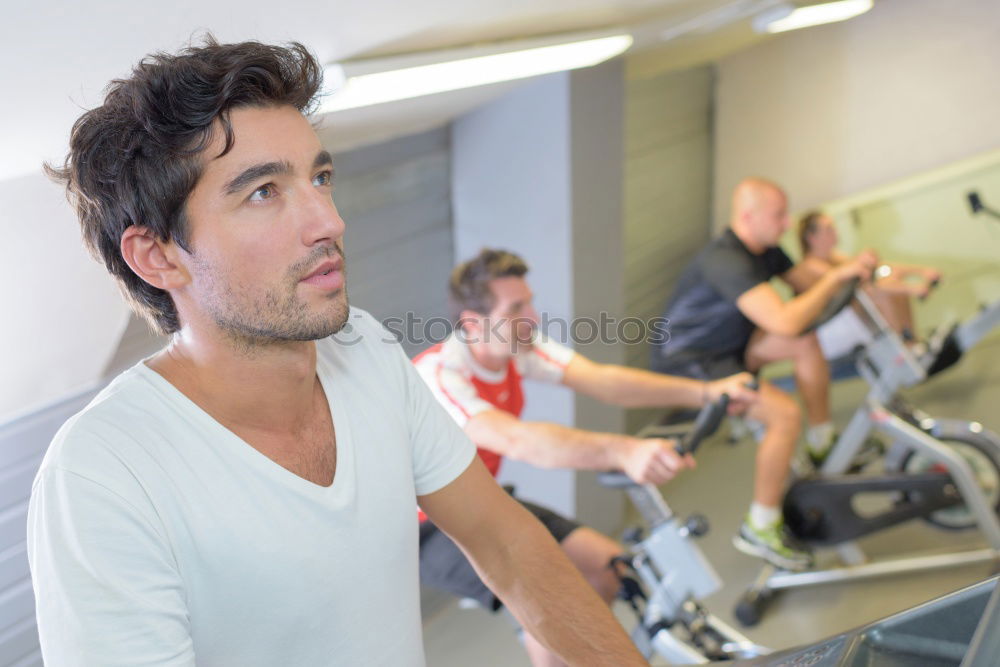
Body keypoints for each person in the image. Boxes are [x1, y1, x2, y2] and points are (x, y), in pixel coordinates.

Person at [27, 38, 648, 666]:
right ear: (158, 256)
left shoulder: (368, 350)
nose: (328, 220)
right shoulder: (103, 474)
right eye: (263, 192)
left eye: (320, 178)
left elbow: (507, 542)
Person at [413, 249, 756, 665]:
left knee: (607, 570)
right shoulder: (440, 375)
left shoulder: (517, 346)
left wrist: (705, 393)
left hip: (482, 498)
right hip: (427, 525)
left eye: (530, 301)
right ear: (472, 323)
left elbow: (605, 382)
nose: (533, 318)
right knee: (550, 606)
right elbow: (517, 440)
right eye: (516, 308)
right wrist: (624, 450)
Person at [651, 178, 876, 569]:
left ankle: (822, 441)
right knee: (783, 414)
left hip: (732, 345)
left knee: (804, 343)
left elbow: (808, 287)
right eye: (778, 215)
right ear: (747, 216)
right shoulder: (726, 260)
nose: (787, 224)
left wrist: (845, 269)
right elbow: (786, 320)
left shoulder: (768, 249)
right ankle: (760, 524)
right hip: (692, 362)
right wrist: (834, 278)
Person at [797, 211, 941, 360]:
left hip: (852, 313)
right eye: (828, 228)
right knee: (876, 290)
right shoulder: (810, 266)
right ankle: (904, 347)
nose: (835, 231)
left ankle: (911, 343)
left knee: (887, 277)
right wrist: (909, 287)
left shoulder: (834, 256)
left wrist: (921, 271)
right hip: (831, 330)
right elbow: (855, 282)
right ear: (811, 237)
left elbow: (878, 268)